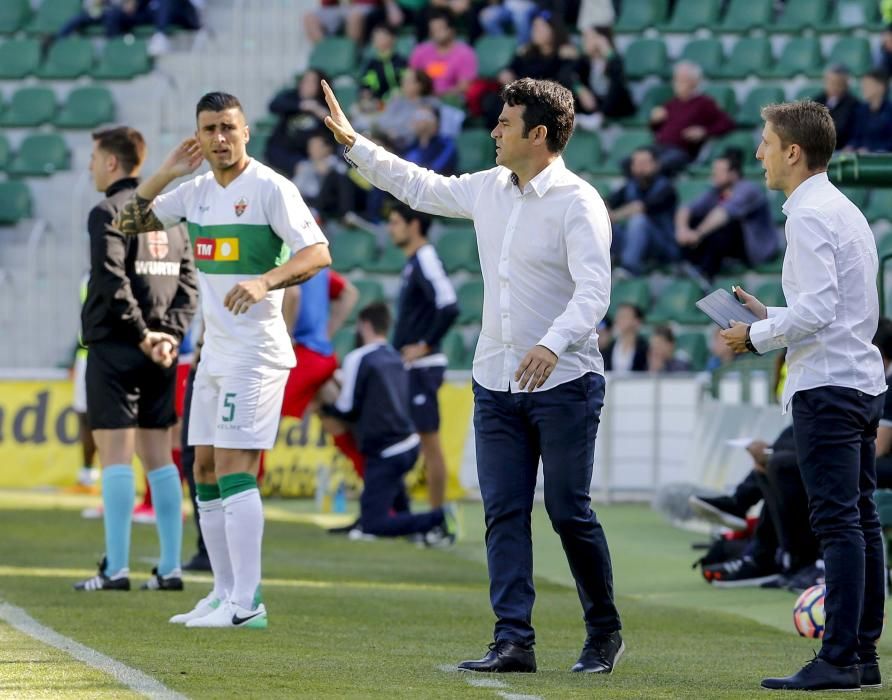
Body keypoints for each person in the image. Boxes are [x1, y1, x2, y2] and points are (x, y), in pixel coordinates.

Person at [323, 76, 624, 674]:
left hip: (566, 383)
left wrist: (551, 343)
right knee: (503, 512)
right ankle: (514, 640)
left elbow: (595, 293)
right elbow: (419, 186)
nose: (494, 131)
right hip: (495, 382)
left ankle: (604, 631)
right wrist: (356, 144)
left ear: (538, 136)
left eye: (505, 124)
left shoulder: (580, 202)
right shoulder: (488, 188)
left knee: (568, 511)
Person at [111, 92, 331, 628]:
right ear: (199, 135)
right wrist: (165, 170)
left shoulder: (271, 188)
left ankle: (247, 602)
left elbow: (318, 252)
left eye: (228, 127)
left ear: (246, 130)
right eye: (209, 129)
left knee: (235, 468)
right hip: (214, 355)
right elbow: (128, 222)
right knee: (202, 469)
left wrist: (265, 281)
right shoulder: (198, 192)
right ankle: (223, 593)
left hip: (255, 355)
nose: (220, 138)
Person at [721, 100, 886, 692]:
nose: (760, 153)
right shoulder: (841, 209)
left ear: (794, 151)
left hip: (829, 386)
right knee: (860, 520)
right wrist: (771, 317)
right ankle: (860, 653)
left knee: (838, 524)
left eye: (767, 141)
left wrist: (757, 335)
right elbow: (834, 309)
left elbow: (818, 312)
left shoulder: (809, 215)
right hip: (857, 380)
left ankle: (840, 656)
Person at [74, 126, 199, 592]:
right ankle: (169, 568)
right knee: (159, 459)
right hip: (163, 354)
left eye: (93, 157)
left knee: (116, 460)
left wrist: (143, 334)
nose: (90, 166)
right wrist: (169, 335)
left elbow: (109, 281)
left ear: (112, 163)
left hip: (117, 348)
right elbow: (189, 284)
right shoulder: (173, 218)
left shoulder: (106, 211)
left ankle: (116, 569)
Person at [319, 302, 457, 542]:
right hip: (409, 444)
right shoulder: (396, 356)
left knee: (374, 523)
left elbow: (347, 407)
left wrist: (322, 407)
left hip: (385, 450)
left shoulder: (358, 357)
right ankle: (420, 530)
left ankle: (438, 518)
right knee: (391, 504)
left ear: (364, 325)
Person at [388, 202, 460, 508]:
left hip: (423, 367)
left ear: (413, 225)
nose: (391, 229)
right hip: (409, 367)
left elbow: (449, 305)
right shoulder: (413, 262)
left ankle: (436, 520)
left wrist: (425, 345)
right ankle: (403, 514)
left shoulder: (426, 257)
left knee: (430, 445)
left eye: (395, 222)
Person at [281, 266, 365, 480]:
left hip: (303, 357)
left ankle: (247, 497)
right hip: (324, 356)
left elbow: (293, 293)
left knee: (262, 422)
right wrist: (327, 333)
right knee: (335, 422)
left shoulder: (288, 256)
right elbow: (349, 293)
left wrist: (284, 339)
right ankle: (377, 489)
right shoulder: (316, 264)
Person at [675, 147, 778, 281]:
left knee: (724, 225)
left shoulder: (748, 189)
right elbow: (687, 208)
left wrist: (697, 234)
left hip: (756, 248)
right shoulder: (716, 191)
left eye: (719, 171)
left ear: (733, 173)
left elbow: (724, 213)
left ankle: (705, 273)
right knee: (695, 219)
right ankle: (689, 265)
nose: (714, 175)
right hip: (730, 244)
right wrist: (682, 229)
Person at [650, 61, 735, 173]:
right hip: (661, 147)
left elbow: (727, 123)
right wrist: (654, 121)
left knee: (656, 165)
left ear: (694, 82)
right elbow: (655, 128)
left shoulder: (704, 103)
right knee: (633, 161)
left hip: (682, 151)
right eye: (676, 79)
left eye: (682, 80)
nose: (676, 84)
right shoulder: (671, 104)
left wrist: (704, 132)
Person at [607, 146, 679, 276]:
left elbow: (641, 207)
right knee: (604, 223)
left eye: (644, 163)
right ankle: (605, 263)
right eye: (636, 163)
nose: (640, 168)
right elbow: (608, 202)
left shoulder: (666, 188)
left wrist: (614, 216)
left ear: (656, 165)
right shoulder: (631, 185)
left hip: (662, 245)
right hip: (635, 242)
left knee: (639, 220)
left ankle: (629, 268)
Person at [265, 69, 331, 178]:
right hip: (282, 152)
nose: (306, 85)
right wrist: (302, 105)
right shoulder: (293, 97)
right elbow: (273, 105)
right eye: (304, 81)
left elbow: (331, 136)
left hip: (310, 156)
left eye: (311, 82)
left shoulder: (324, 104)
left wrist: (321, 113)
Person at [572, 25, 635, 128]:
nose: (584, 42)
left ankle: (600, 116)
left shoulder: (614, 60)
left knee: (616, 86)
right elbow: (571, 75)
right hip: (594, 104)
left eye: (588, 38)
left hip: (616, 107)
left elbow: (618, 81)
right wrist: (580, 89)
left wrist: (608, 52)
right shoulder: (584, 61)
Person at [408, 8, 478, 98]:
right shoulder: (420, 51)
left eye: (440, 29)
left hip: (450, 101)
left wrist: (439, 95)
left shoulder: (465, 53)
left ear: (452, 30)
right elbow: (410, 76)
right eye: (433, 30)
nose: (436, 33)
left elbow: (464, 87)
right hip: (421, 99)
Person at [292, 132, 357, 222]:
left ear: (327, 149)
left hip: (331, 204)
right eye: (311, 147)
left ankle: (346, 215)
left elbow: (344, 178)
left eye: (317, 147)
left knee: (335, 176)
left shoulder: (335, 163)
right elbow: (296, 187)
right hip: (310, 201)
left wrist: (328, 169)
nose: (312, 150)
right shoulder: (304, 165)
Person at [372, 69, 440, 152]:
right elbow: (382, 121)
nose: (403, 84)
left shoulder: (429, 104)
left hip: (410, 148)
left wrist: (396, 132)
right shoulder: (397, 101)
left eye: (408, 81)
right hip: (387, 140)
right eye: (403, 81)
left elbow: (416, 130)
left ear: (419, 85)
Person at [813, 65, 859, 151]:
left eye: (838, 83)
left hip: (841, 149)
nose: (835, 86)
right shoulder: (817, 102)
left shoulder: (853, 104)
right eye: (831, 82)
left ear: (846, 84)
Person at [403, 105, 458, 175]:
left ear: (437, 122)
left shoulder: (446, 144)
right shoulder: (411, 147)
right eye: (417, 116)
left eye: (425, 116)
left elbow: (436, 170)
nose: (419, 120)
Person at [359, 23, 407, 101]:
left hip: (403, 100)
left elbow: (409, 83)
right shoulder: (371, 65)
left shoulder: (402, 62)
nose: (379, 39)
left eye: (382, 36)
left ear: (393, 38)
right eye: (376, 37)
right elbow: (366, 87)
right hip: (379, 104)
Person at [848, 69, 892, 153]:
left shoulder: (890, 111)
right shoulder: (860, 110)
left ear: (881, 87)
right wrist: (850, 146)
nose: (863, 88)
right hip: (861, 156)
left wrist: (871, 149)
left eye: (868, 85)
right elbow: (856, 137)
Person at [601, 303, 647, 374]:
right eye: (618, 316)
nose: (618, 319)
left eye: (623, 316)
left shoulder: (644, 348)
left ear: (636, 321)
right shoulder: (609, 347)